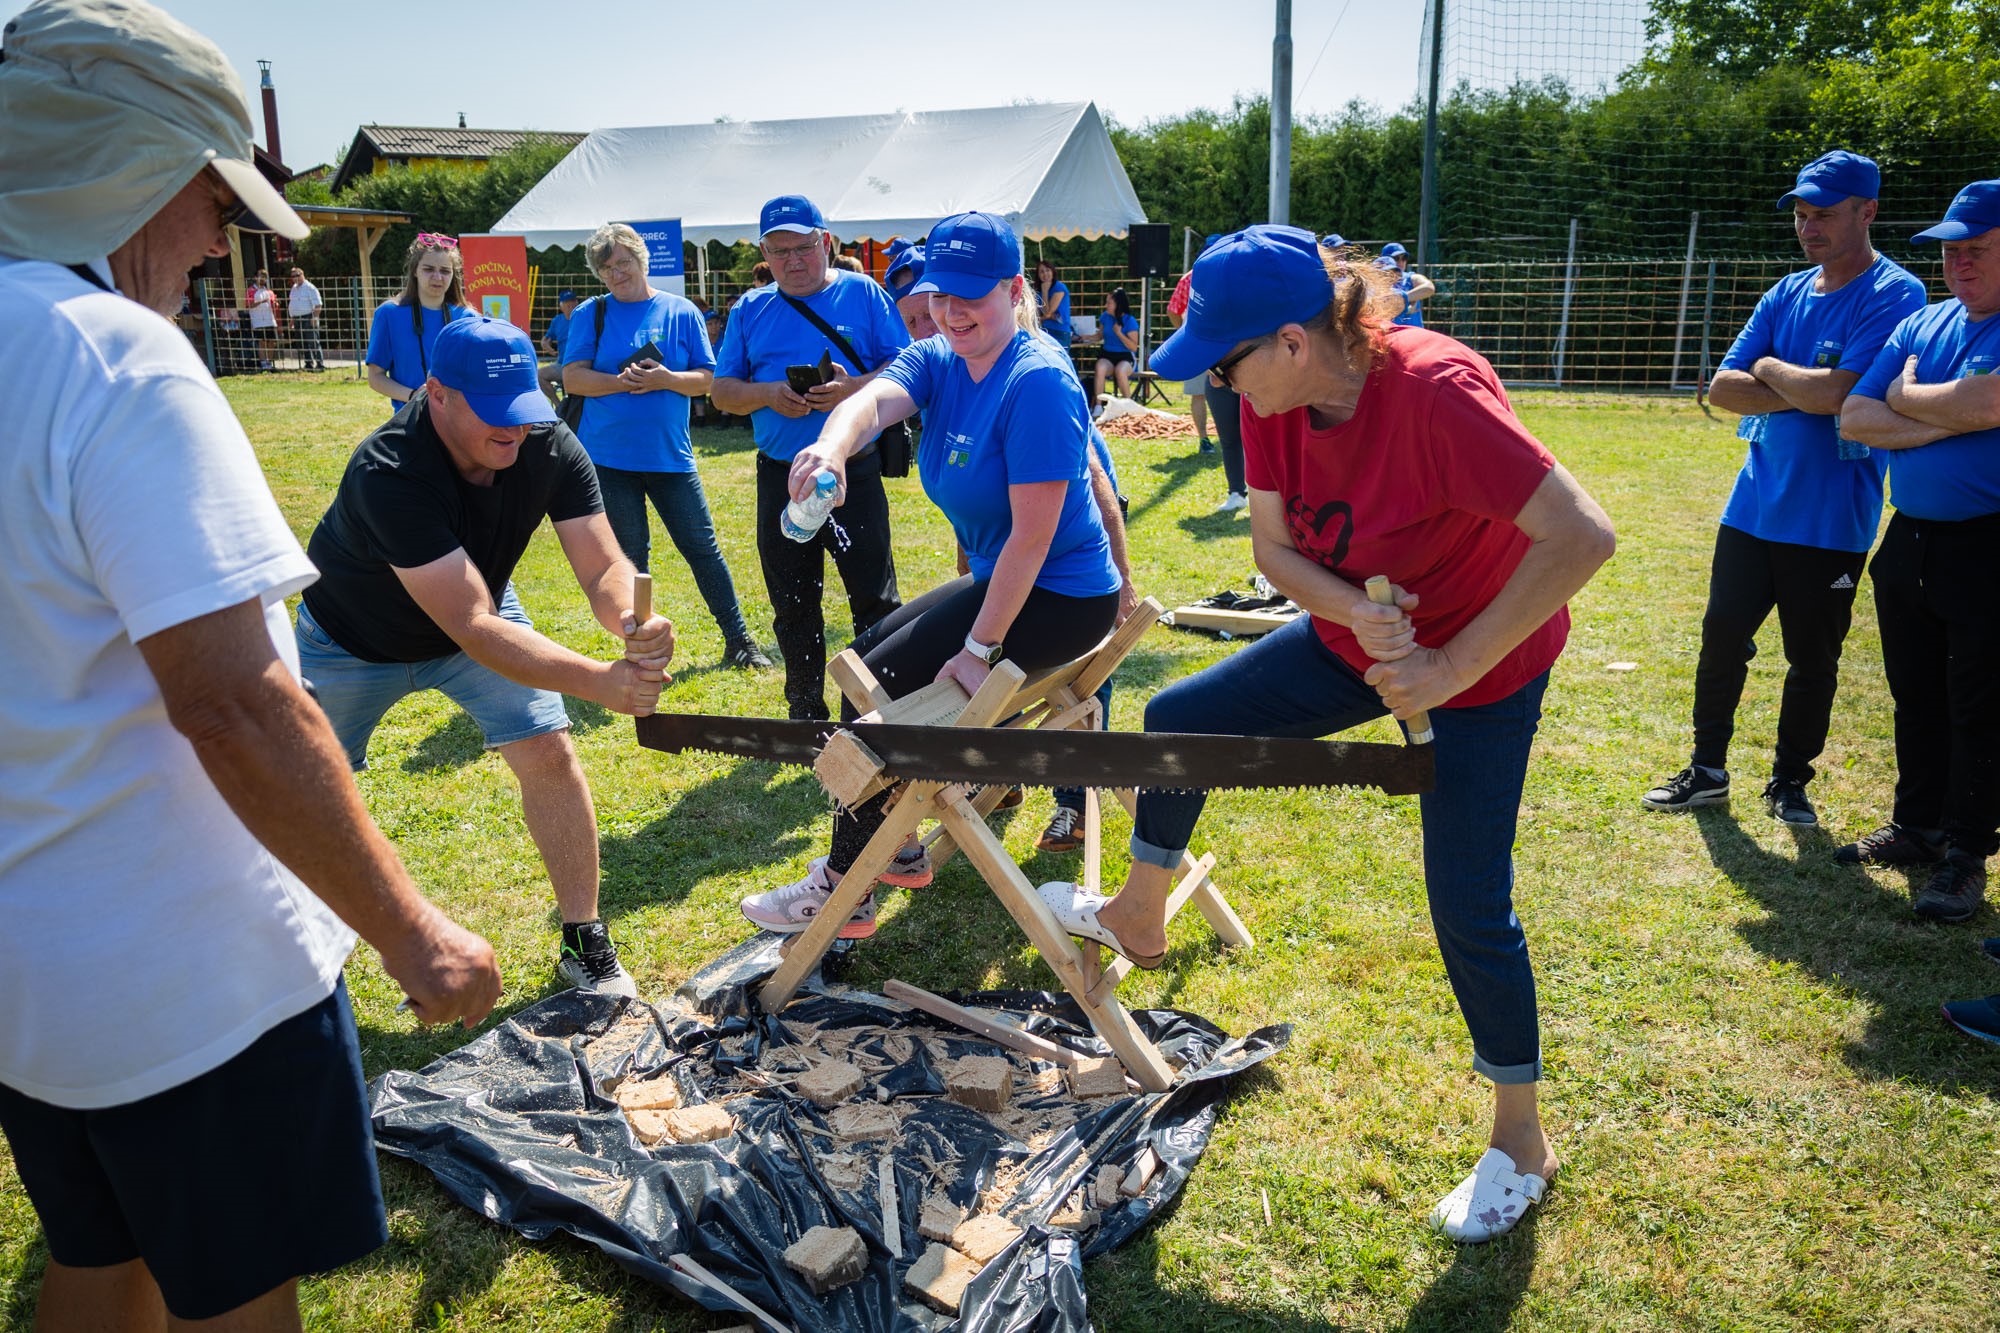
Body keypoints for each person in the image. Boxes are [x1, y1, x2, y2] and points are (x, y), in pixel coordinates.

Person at [0, 2, 503, 1327]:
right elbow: (235, 701)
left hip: (30, 968)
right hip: (181, 977)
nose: (221, 243)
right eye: (216, 200)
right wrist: (416, 934)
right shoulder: (113, 357)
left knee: (98, 1260)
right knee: (234, 1299)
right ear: (135, 170)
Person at [1038, 225, 1616, 1242]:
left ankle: (1522, 1141)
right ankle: (1138, 913)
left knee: (1468, 900)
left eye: (1225, 366)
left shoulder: (1436, 393)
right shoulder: (1275, 400)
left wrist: (1446, 667)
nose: (1218, 388)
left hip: (1488, 657)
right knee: (1180, 718)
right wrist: (1354, 611)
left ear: (1294, 341)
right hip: (1363, 640)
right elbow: (1274, 550)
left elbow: (1582, 536)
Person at [737, 211, 1126, 936]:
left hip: (1063, 598)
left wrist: (979, 649)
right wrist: (828, 448)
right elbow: (870, 401)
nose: (951, 311)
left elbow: (1033, 539)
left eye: (971, 295)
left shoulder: (1037, 381)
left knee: (879, 690)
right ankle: (897, 847)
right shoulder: (943, 357)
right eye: (942, 294)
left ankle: (847, 888)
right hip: (1011, 582)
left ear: (1015, 290)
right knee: (863, 665)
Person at [299, 316, 677, 998]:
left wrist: (629, 617)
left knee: (550, 752)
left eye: (524, 406)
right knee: (303, 791)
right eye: (494, 409)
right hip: (349, 642)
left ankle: (583, 939)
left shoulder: (545, 440)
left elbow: (602, 565)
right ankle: (300, 969)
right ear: (437, 393)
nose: (515, 428)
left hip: (476, 614)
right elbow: (473, 624)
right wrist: (600, 681)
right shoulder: (390, 469)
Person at [1640, 151, 1925, 827]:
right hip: (1752, 506)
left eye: (1823, 214)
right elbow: (1722, 388)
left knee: (1812, 658)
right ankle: (1706, 770)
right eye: (1800, 214)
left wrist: (1768, 366)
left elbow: (1841, 394)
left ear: (1867, 211)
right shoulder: (1785, 291)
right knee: (1721, 639)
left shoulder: (1896, 293)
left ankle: (1790, 780)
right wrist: (1798, 384)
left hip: (1831, 517)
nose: (1807, 227)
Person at [1836, 178, 2000, 925]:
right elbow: (1855, 416)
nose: (1959, 263)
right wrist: (1946, 415)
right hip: (1909, 540)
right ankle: (1919, 825)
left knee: (1981, 704)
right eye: (1950, 250)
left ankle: (1967, 853)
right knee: (1916, 692)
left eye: (1978, 249)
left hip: (1988, 544)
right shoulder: (1924, 322)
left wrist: (1907, 398)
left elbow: (1989, 401)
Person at [712, 194, 910, 719]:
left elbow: (907, 370)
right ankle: (804, 713)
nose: (793, 261)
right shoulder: (750, 309)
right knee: (793, 603)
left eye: (803, 248)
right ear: (764, 254)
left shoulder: (864, 294)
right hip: (781, 475)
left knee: (874, 601)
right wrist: (768, 394)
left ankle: (870, 716)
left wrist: (853, 388)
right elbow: (721, 392)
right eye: (779, 252)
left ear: (826, 243)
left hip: (854, 472)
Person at [562, 223, 770, 669]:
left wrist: (666, 379)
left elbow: (708, 379)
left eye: (624, 262)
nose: (617, 274)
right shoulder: (590, 314)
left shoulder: (681, 311)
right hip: (607, 458)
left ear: (642, 259)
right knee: (630, 558)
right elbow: (572, 378)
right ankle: (641, 651)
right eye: (607, 268)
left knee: (702, 548)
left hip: (670, 457)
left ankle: (739, 640)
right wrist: (623, 382)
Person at [365, 232, 472, 412]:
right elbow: (375, 377)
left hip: (459, 419)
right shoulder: (388, 314)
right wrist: (414, 396)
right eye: (428, 269)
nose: (437, 277)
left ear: (454, 274)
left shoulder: (468, 318)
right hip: (411, 420)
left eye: (445, 271)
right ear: (414, 270)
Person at [1168, 234, 1222, 455]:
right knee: (1227, 392)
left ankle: (1206, 439)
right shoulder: (1227, 275)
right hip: (1218, 343)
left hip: (1199, 344)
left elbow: (1173, 310)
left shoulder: (1189, 278)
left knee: (1200, 394)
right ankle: (1217, 438)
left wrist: (1181, 331)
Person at [1094, 286, 1138, 409]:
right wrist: (1082, 337)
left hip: (1125, 356)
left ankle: (1128, 406)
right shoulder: (1105, 317)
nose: (1106, 305)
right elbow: (1099, 336)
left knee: (1120, 371)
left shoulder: (1129, 320)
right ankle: (1098, 406)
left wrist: (1119, 333)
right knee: (1100, 367)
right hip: (1107, 355)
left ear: (1118, 305)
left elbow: (1133, 347)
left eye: (1109, 303)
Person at [538, 287, 580, 402]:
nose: (570, 305)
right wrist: (545, 344)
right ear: (561, 306)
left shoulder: (585, 319)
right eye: (567, 303)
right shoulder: (557, 321)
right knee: (539, 375)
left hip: (582, 365)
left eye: (573, 301)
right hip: (562, 364)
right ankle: (559, 406)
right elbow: (546, 339)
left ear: (577, 303)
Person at [1380, 242, 1435, 328]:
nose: (1401, 262)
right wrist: (1408, 305)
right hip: (1390, 332)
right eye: (1396, 258)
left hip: (1414, 333)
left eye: (1404, 258)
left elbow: (1429, 288)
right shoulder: (1378, 283)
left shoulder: (1410, 278)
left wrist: (1402, 298)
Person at [287, 264, 324, 370]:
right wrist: (292, 319)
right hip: (297, 318)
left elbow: (318, 304)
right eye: (293, 276)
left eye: (297, 275)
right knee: (302, 343)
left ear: (302, 274)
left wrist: (315, 317)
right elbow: (292, 304)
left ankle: (320, 364)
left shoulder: (310, 287)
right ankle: (308, 364)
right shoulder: (294, 288)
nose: (295, 278)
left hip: (309, 317)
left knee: (313, 341)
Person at [245, 265, 278, 370]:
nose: (263, 279)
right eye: (261, 276)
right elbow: (248, 305)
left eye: (265, 277)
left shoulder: (269, 291)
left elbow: (273, 306)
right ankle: (263, 364)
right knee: (262, 342)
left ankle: (270, 363)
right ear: (255, 278)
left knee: (271, 342)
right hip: (258, 321)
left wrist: (275, 304)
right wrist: (261, 302)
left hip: (270, 320)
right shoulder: (250, 290)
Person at [1035, 257, 1072, 348]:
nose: (1045, 274)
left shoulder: (1059, 287)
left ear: (1052, 271)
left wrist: (1045, 291)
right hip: (1045, 331)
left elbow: (1047, 312)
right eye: (1041, 272)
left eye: (1047, 270)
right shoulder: (1038, 291)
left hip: (1060, 331)